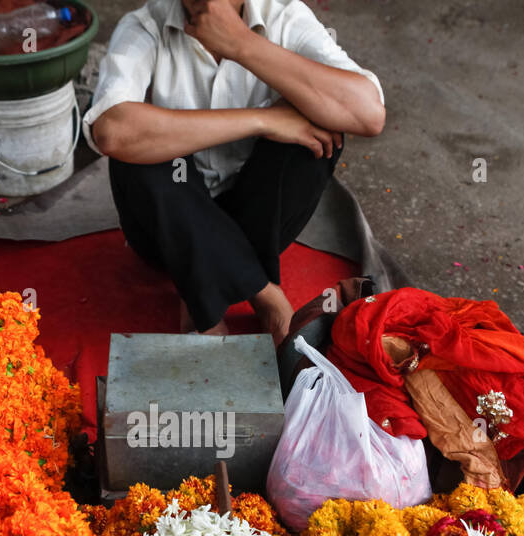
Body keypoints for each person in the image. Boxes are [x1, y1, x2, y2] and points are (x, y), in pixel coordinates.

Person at [83, 0, 385, 345]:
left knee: (321, 122)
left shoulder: (283, 17)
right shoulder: (145, 26)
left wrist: (241, 43)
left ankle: (199, 286)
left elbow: (368, 114)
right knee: (136, 150)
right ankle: (264, 294)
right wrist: (263, 120)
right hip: (166, 228)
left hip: (261, 221)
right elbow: (112, 131)